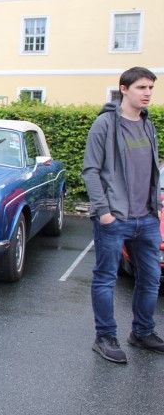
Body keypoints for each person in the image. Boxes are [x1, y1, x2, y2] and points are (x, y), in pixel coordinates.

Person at [82, 66, 164, 364]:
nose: (148, 93)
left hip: (147, 218)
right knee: (105, 279)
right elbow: (90, 171)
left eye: (151, 88)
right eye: (142, 87)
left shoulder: (148, 125)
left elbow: (151, 170)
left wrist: (156, 206)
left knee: (151, 278)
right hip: (114, 219)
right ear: (124, 89)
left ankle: (142, 332)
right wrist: (104, 213)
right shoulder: (104, 124)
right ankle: (105, 336)